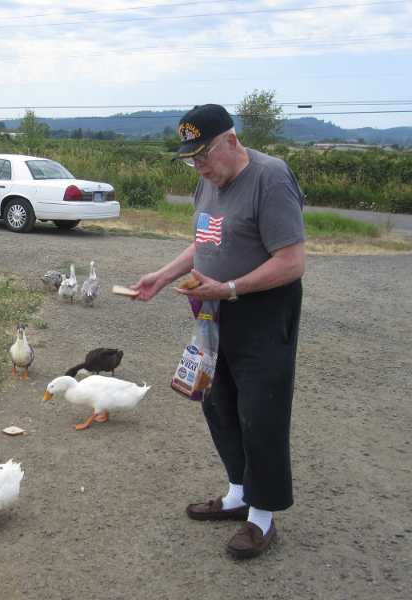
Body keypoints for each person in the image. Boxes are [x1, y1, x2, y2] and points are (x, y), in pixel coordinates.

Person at [131, 104, 306, 558]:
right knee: (217, 401)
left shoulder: (271, 178)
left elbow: (291, 262)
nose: (200, 165)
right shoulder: (207, 182)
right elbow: (205, 242)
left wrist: (229, 288)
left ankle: (262, 518)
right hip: (211, 312)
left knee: (260, 413)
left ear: (230, 140)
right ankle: (238, 494)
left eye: (204, 154)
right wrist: (163, 275)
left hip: (261, 312)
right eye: (191, 158)